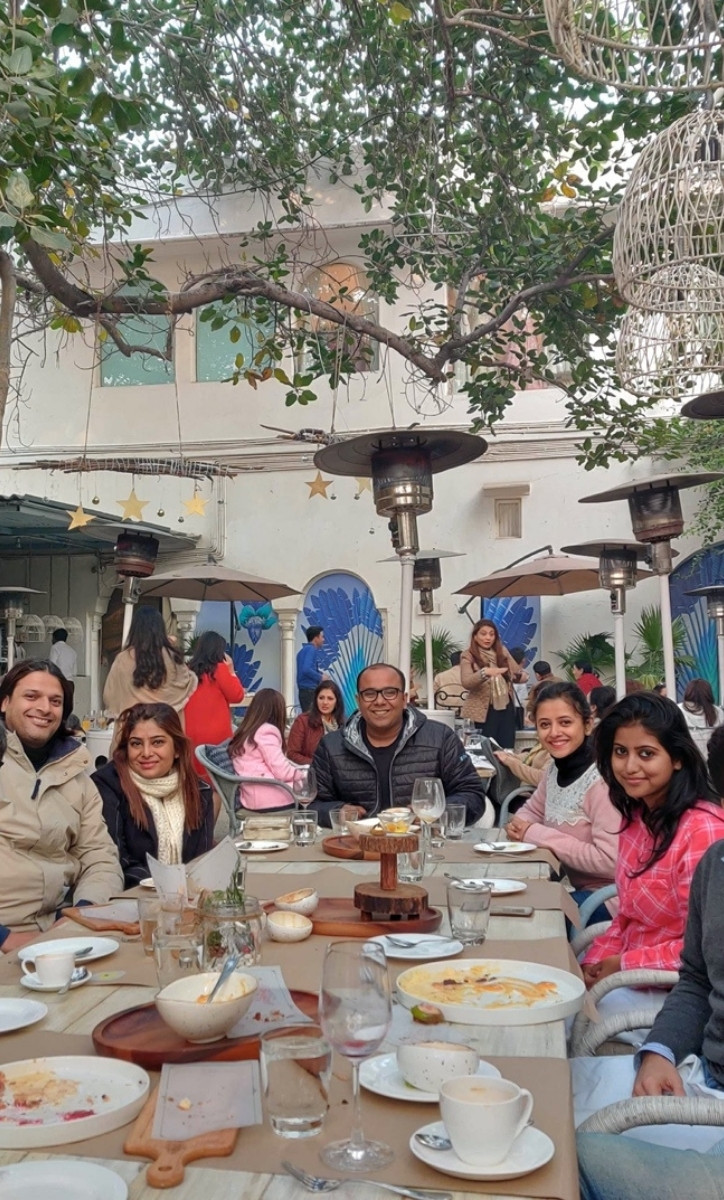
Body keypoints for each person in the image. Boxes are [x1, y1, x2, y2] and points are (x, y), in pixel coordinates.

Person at [581, 692, 724, 987]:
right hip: (626, 978)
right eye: (620, 752)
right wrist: (595, 961)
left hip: (675, 993)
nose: (630, 766)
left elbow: (703, 949)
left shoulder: (703, 831)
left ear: (677, 759)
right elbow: (627, 919)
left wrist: (622, 965)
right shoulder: (636, 816)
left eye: (646, 754)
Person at [0, 660, 123, 951]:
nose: (44, 708)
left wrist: (81, 913)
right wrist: (5, 938)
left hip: (58, 931)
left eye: (55, 701)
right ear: (4, 703)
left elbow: (100, 857)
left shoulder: (77, 777)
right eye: (31, 697)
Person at [311, 663, 488, 827]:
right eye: (370, 694)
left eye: (390, 692)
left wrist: (434, 812)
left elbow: (473, 796)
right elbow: (313, 805)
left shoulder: (440, 739)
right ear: (358, 700)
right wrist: (337, 812)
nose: (379, 701)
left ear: (404, 699)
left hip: (423, 848)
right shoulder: (331, 746)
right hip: (355, 849)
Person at [505, 681, 619, 920]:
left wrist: (535, 834)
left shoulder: (602, 781)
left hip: (611, 899)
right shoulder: (554, 770)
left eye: (565, 722)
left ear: (587, 725)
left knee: (528, 917)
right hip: (578, 889)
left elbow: (610, 861)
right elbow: (529, 812)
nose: (554, 732)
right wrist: (522, 826)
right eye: (545, 725)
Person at [93, 702, 214, 889]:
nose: (146, 753)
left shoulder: (199, 792)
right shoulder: (108, 786)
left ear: (177, 749)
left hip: (188, 896)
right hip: (131, 896)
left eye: (158, 742)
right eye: (136, 744)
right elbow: (116, 860)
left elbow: (202, 861)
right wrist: (167, 884)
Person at [103, 606, 197, 725]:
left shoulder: (123, 659)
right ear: (160, 629)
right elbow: (183, 691)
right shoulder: (173, 658)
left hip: (133, 728)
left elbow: (110, 696)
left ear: (135, 629)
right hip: (164, 727)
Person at [183, 631, 245, 781]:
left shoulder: (186, 670)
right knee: (215, 782)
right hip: (216, 735)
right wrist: (231, 671)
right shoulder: (219, 669)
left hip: (189, 731)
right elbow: (237, 696)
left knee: (194, 780)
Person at [229, 688, 298, 810]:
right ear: (278, 711)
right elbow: (282, 772)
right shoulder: (266, 732)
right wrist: (305, 774)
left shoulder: (245, 732)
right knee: (316, 795)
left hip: (252, 796)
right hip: (270, 798)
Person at [460, 619, 523, 747]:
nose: (488, 638)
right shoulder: (468, 655)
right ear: (475, 636)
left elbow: (517, 675)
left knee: (506, 746)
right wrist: (485, 673)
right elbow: (466, 682)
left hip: (506, 705)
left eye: (491, 634)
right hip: (484, 709)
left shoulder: (501, 652)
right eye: (483, 634)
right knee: (486, 746)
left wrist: (506, 656)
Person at [287, 679, 345, 765]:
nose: (325, 702)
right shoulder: (303, 721)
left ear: (337, 702)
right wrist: (319, 764)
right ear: (316, 700)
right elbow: (292, 754)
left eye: (330, 699)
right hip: (311, 772)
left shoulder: (343, 723)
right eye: (321, 698)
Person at [678, 677, 724, 756]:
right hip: (712, 760)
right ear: (708, 693)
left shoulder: (678, 709)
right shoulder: (718, 712)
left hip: (687, 760)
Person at [296, 626, 326, 712]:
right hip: (309, 690)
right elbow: (306, 669)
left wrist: (319, 673)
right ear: (316, 638)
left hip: (303, 691)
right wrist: (320, 677)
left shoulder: (302, 651)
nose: (323, 639)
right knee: (312, 718)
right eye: (322, 636)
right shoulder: (311, 650)